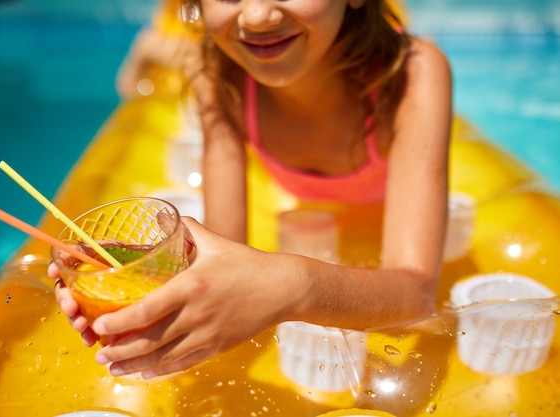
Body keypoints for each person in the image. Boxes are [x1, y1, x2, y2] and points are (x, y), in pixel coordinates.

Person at [51, 0, 452, 380]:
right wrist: (137, 277)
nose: (257, 16)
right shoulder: (221, 78)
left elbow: (416, 294)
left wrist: (294, 285)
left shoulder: (414, 75)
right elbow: (226, 250)